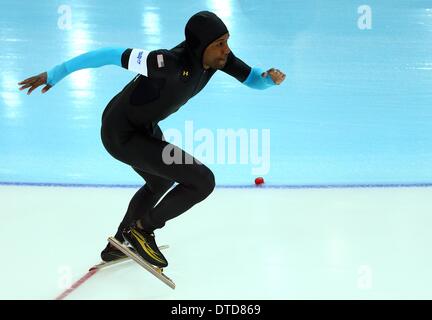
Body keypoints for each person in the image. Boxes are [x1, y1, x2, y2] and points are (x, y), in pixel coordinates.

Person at [18, 11, 286, 268]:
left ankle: (120, 242)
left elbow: (252, 78)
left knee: (161, 180)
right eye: (220, 44)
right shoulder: (165, 63)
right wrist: (55, 74)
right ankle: (143, 231)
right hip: (119, 133)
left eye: (226, 41)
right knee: (202, 181)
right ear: (201, 45)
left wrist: (268, 79)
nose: (226, 50)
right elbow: (109, 54)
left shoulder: (218, 59)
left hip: (144, 128)